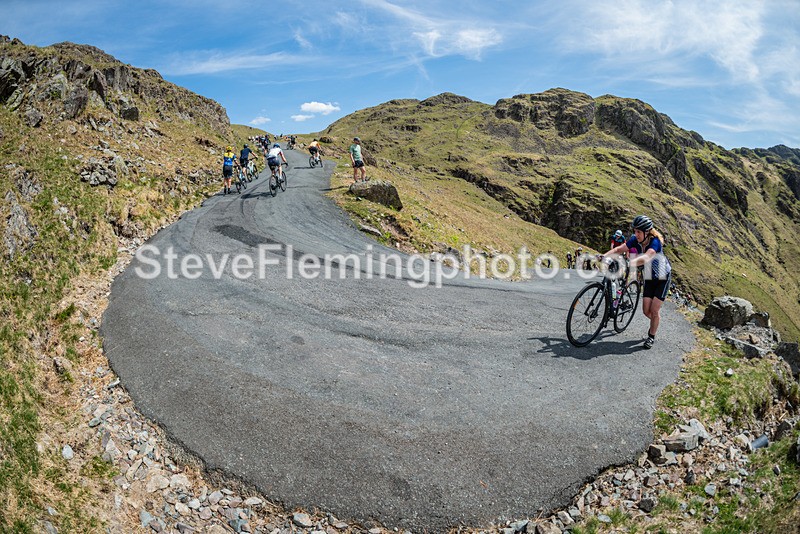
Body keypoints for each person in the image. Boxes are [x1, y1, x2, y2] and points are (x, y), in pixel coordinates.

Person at [608, 215, 672, 349]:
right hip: (649, 276)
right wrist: (604, 256)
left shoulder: (655, 242)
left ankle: (651, 336)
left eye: (638, 232)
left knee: (654, 310)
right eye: (635, 231)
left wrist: (629, 263)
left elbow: (646, 257)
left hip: (662, 277)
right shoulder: (635, 240)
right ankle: (655, 321)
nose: (635, 234)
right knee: (646, 311)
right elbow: (619, 249)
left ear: (647, 232)